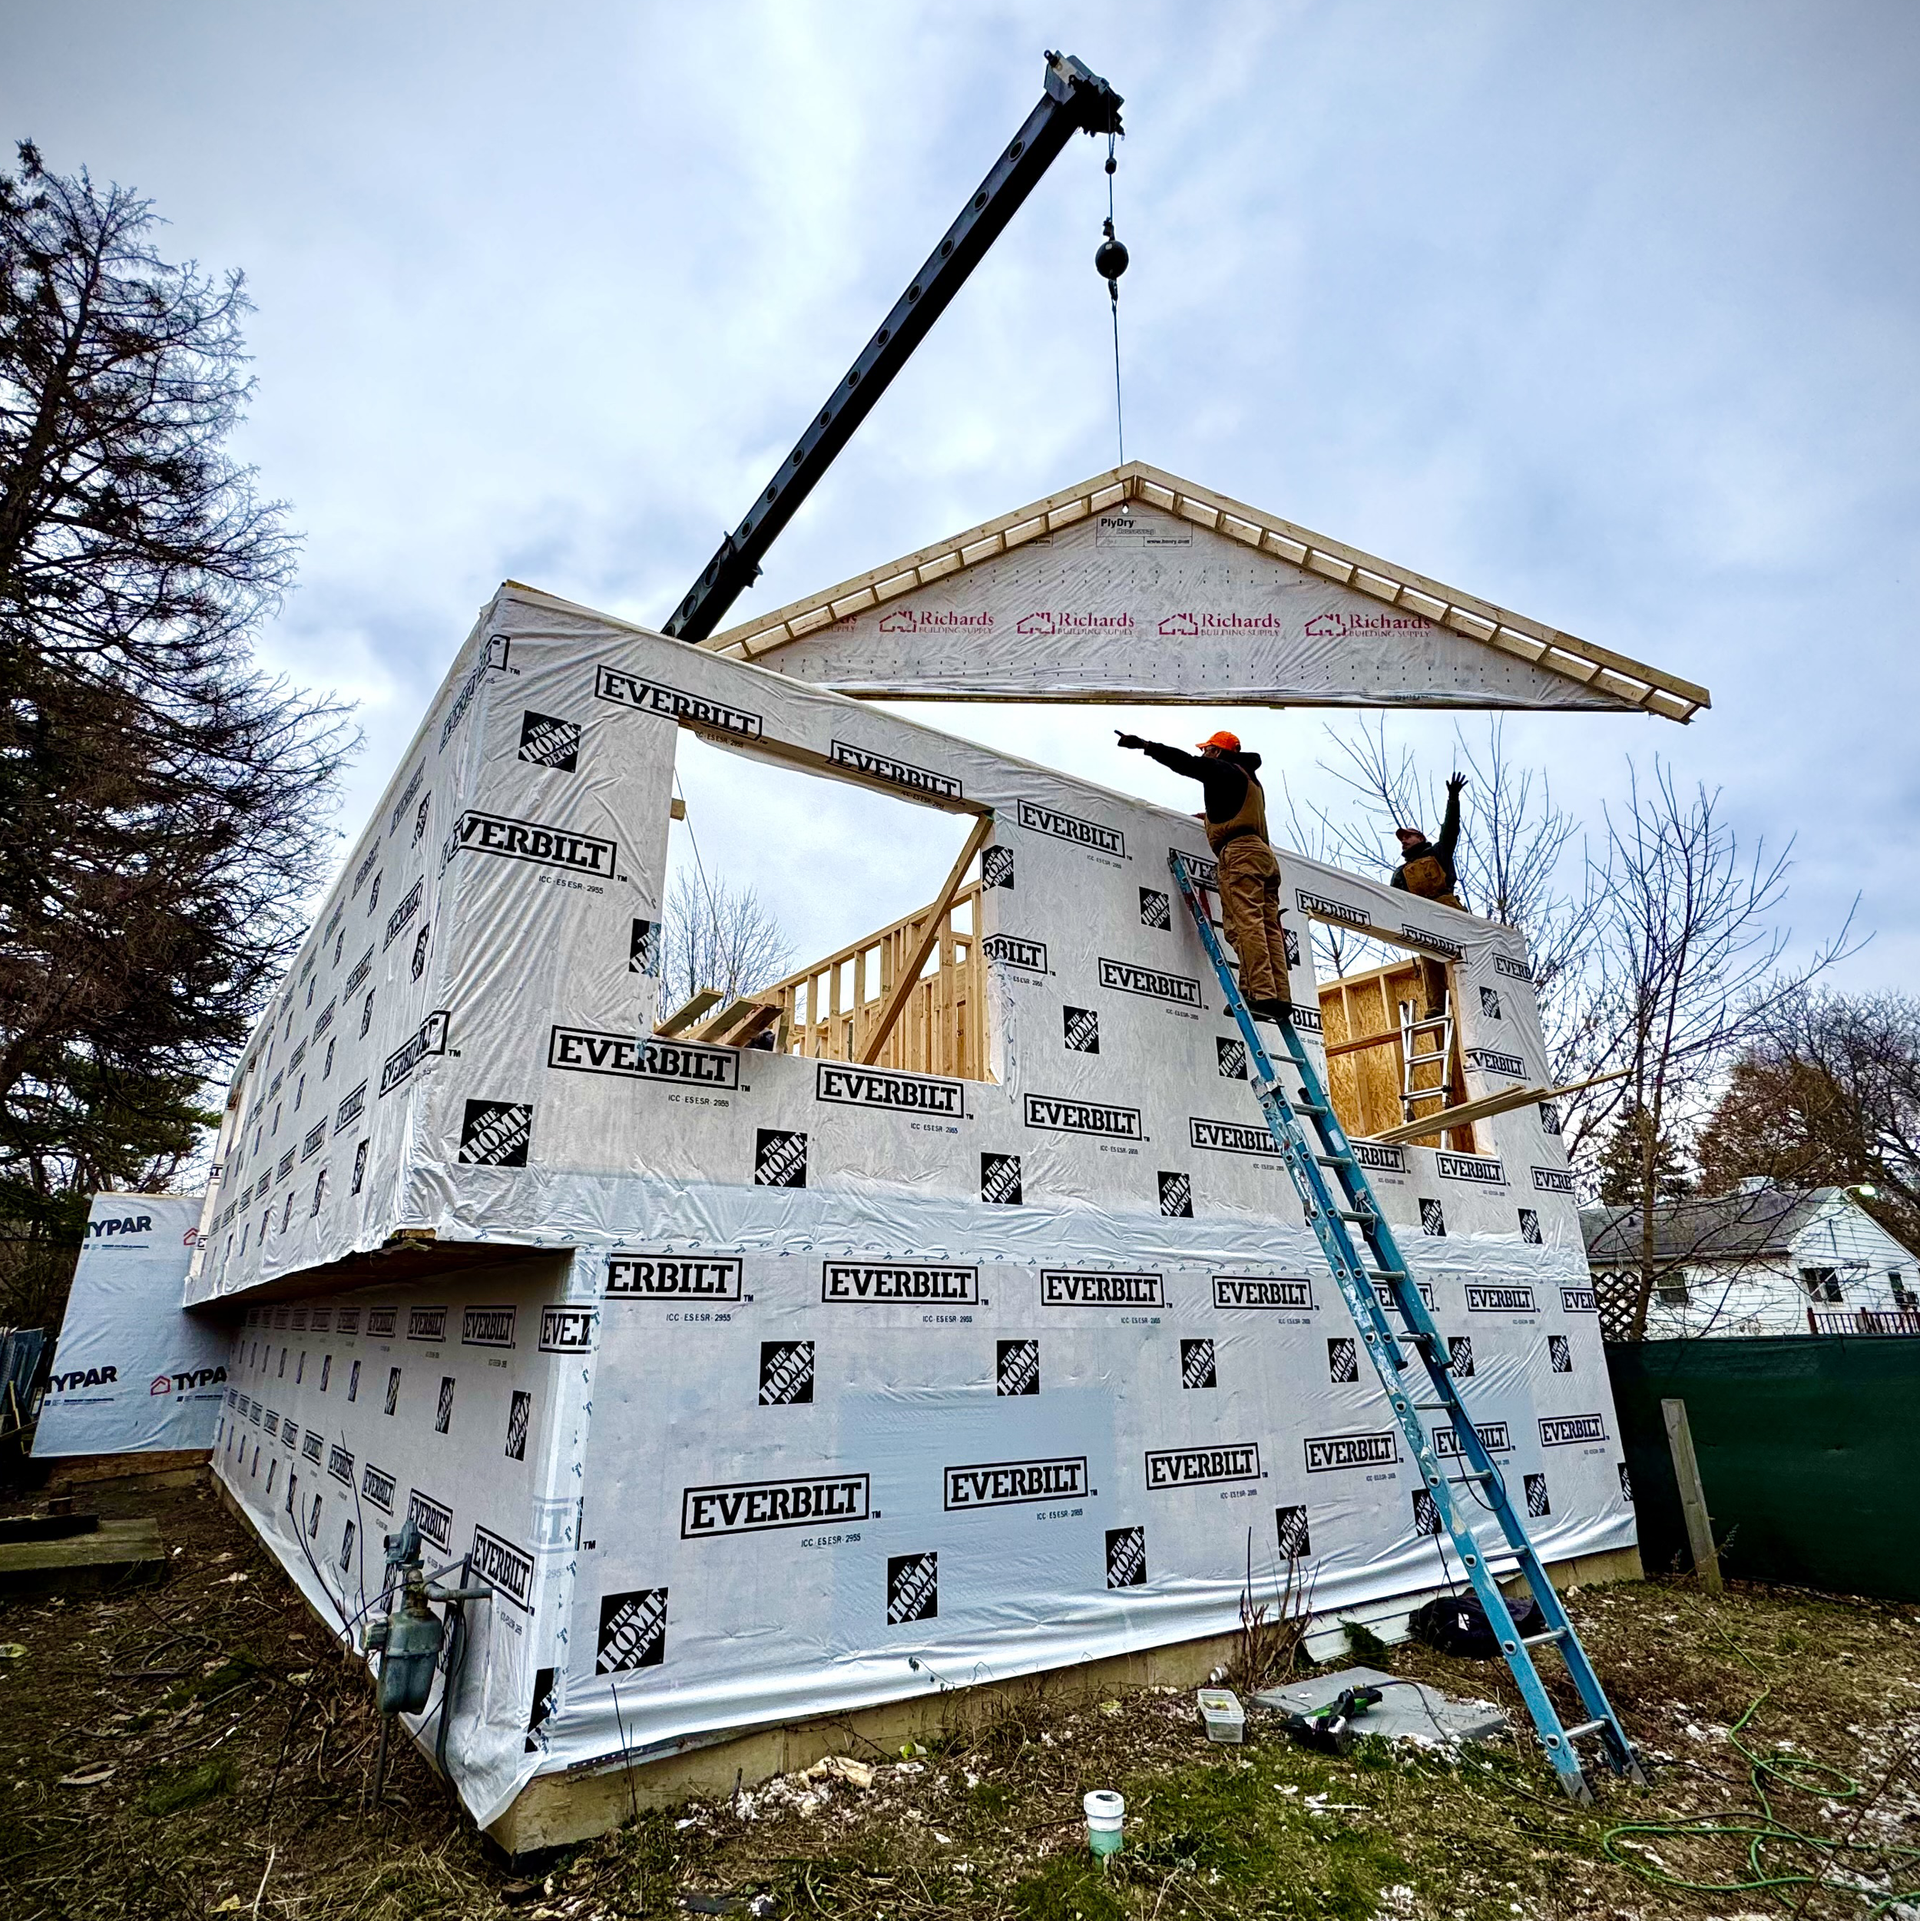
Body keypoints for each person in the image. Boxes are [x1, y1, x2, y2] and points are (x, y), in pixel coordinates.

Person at [1115, 728, 1293, 1022]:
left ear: (1218, 752)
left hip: (1240, 854)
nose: (1202, 754)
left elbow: (1185, 763)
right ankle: (1279, 997)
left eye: (1207, 749)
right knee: (1267, 926)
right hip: (1264, 857)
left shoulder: (1221, 769)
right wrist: (1209, 817)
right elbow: (1232, 808)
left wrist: (1146, 745)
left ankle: (1259, 995)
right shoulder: (1249, 779)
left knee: (1245, 923)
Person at [1390, 774, 1468, 909]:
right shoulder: (1400, 873)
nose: (1403, 840)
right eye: (1402, 839)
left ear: (1420, 838)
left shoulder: (1438, 853)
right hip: (1420, 917)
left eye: (1408, 836)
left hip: (1450, 911)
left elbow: (1450, 830)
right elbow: (1393, 902)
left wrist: (1453, 799)